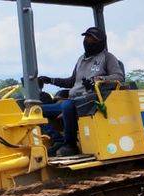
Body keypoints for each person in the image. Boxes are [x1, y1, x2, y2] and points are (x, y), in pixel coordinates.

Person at [39, 27, 125, 157]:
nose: (88, 41)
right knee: (36, 110)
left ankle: (70, 145)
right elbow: (72, 81)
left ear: (101, 42)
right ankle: (58, 140)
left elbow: (119, 77)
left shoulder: (107, 57)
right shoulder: (81, 59)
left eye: (92, 39)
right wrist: (50, 80)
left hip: (91, 101)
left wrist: (98, 79)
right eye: (86, 38)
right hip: (73, 100)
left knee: (68, 106)